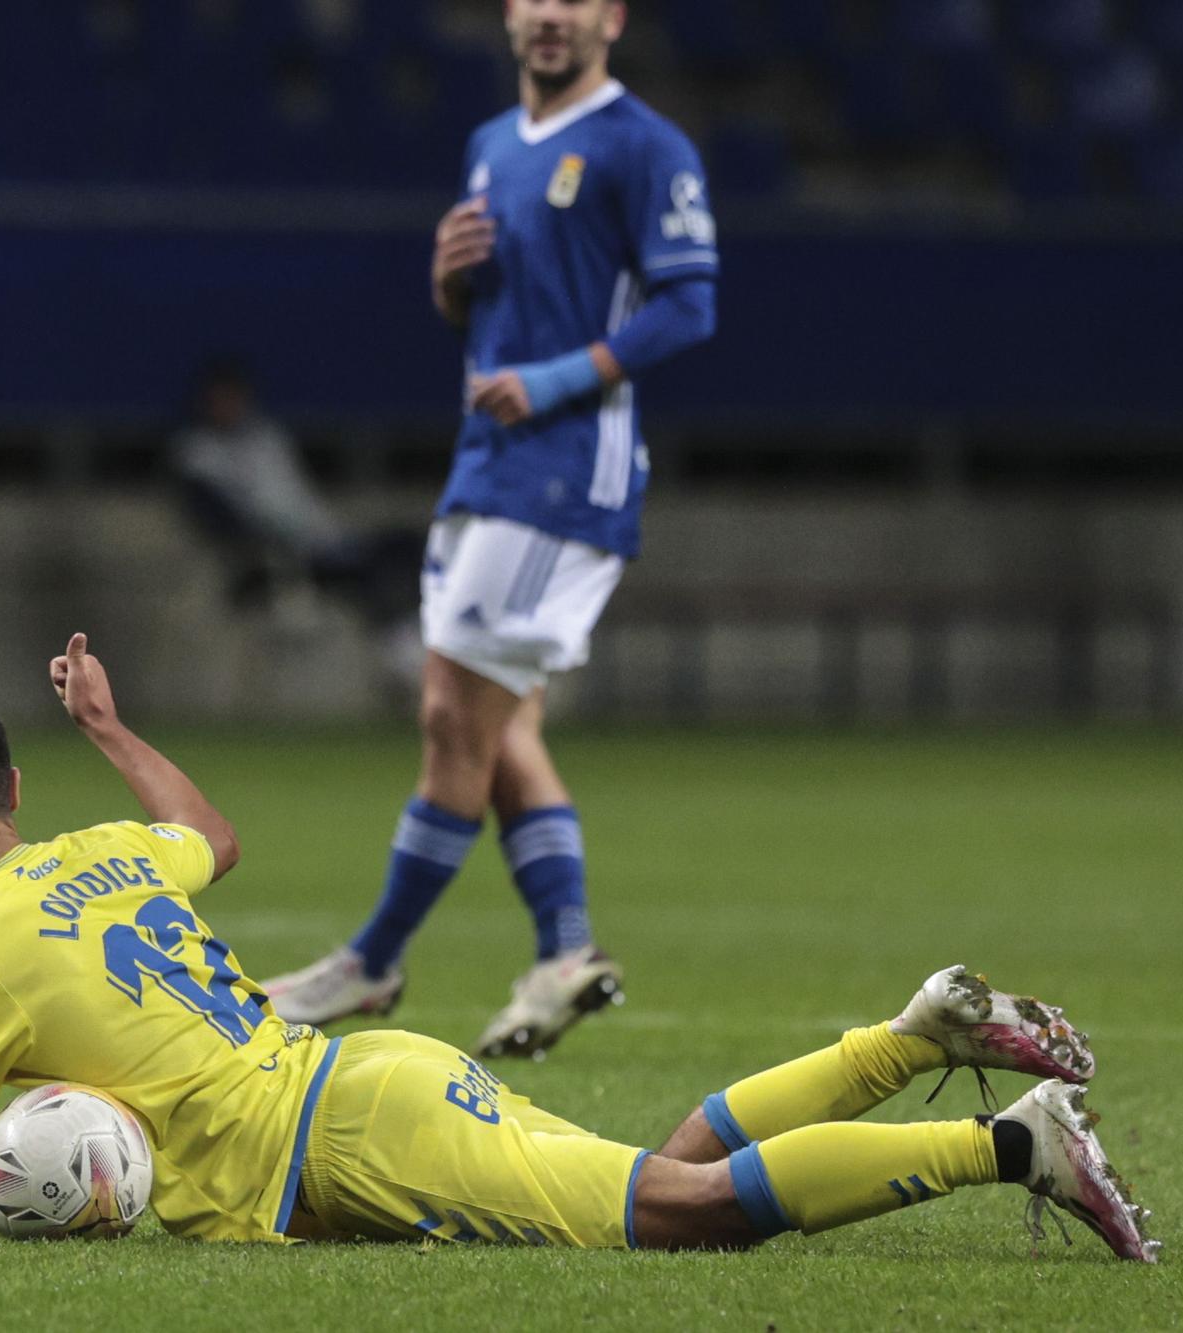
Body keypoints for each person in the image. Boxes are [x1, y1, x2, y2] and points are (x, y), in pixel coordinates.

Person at [0, 634, 1158, 1262]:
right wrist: (108, 728)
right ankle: (904, 1043)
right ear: (10, 781)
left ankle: (1008, 1144)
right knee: (658, 1171)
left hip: (351, 1135)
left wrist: (34, 1201)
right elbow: (208, 833)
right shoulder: (111, 850)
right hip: (358, 1087)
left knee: (689, 1218)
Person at [262, 0, 721, 1059]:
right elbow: (491, 315)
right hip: (487, 464)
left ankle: (370, 959)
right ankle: (564, 952)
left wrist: (559, 379)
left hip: (562, 475)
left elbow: (688, 303)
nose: (549, 13)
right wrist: (444, 286)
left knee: (446, 716)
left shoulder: (644, 147)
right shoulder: (487, 147)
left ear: (610, 15)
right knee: (499, 726)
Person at [169, 356, 420, 663]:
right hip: (275, 556)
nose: (228, 406)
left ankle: (413, 645)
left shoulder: (266, 437)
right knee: (371, 575)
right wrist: (267, 542)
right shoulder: (197, 452)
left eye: (234, 397)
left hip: (322, 542)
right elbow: (218, 519)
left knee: (406, 545)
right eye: (219, 399)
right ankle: (404, 659)